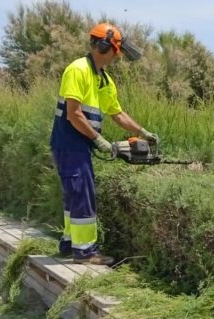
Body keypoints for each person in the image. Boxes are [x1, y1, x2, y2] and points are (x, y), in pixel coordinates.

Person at [50, 22, 158, 265]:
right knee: (82, 193)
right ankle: (85, 252)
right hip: (68, 142)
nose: (117, 57)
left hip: (81, 144)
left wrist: (142, 132)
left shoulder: (104, 80)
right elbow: (74, 114)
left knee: (75, 194)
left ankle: (69, 244)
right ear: (103, 46)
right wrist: (99, 140)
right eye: (116, 52)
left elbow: (117, 114)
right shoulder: (77, 70)